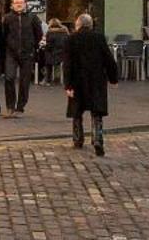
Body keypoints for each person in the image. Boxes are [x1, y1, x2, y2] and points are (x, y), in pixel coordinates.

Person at [64, 12, 119, 156]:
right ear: (90, 25)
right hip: (96, 80)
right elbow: (109, 60)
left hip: (77, 80)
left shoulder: (71, 39)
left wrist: (68, 85)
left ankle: (77, 139)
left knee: (77, 111)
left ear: (79, 24)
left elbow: (67, 64)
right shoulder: (99, 38)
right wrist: (113, 79)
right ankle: (98, 139)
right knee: (97, 112)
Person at [0, 0, 43, 116]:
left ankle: (20, 107)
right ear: (12, 5)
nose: (18, 4)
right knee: (9, 78)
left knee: (24, 81)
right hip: (11, 53)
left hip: (27, 53)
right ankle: (10, 106)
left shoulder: (33, 17)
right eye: (16, 2)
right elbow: (4, 35)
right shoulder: (7, 18)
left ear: (25, 4)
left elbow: (38, 34)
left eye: (21, 2)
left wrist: (32, 48)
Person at [39, 17, 69, 85]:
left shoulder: (50, 33)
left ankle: (47, 79)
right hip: (62, 55)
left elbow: (49, 45)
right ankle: (57, 78)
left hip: (52, 55)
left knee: (46, 58)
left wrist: (44, 47)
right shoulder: (65, 32)